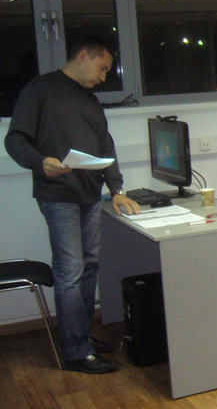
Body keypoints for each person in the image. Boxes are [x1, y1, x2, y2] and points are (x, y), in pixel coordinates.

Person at [4, 37, 140, 374]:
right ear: (83, 57)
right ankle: (76, 352)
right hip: (57, 195)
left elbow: (105, 146)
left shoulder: (89, 99)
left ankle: (80, 335)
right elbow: (15, 139)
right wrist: (41, 162)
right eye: (101, 68)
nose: (103, 77)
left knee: (89, 267)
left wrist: (116, 188)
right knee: (70, 272)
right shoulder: (40, 90)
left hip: (89, 195)